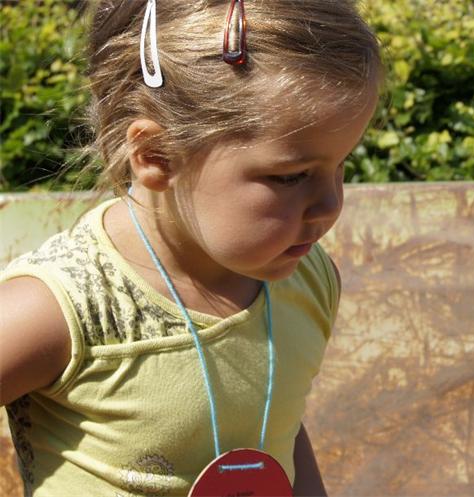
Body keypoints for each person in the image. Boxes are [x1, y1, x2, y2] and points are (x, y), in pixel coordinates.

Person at [0, 0, 383, 495]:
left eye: (341, 164)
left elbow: (273, 427)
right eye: (291, 176)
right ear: (156, 155)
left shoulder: (309, 281)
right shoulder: (58, 308)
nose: (330, 204)